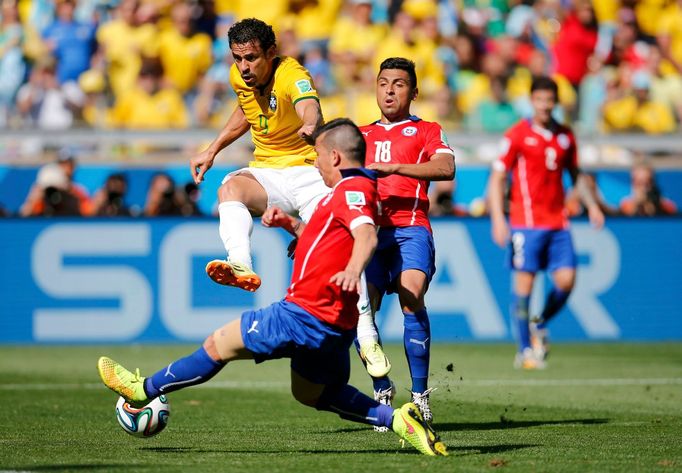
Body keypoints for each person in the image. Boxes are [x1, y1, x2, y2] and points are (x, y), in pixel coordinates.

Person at [96, 119, 448, 457]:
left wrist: (354, 269)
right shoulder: (345, 191)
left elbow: (366, 234)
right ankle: (400, 421)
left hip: (304, 312)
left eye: (319, 156)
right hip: (332, 324)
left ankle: (142, 390)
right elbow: (330, 238)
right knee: (313, 393)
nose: (315, 163)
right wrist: (290, 224)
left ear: (336, 157)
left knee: (218, 345)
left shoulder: (353, 188)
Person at [189, 18, 329, 293]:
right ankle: (240, 264)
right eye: (237, 58)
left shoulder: (293, 74)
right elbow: (247, 110)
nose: (243, 67)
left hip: (309, 172)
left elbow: (309, 105)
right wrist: (212, 149)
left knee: (328, 253)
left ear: (271, 52)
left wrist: (310, 124)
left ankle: (365, 330)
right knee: (230, 189)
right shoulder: (237, 76)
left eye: (251, 58)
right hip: (269, 173)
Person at [356, 57, 455, 428]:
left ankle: (419, 395)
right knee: (358, 311)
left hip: (410, 226)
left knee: (412, 297)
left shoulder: (428, 130)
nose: (390, 90)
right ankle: (382, 387)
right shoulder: (359, 135)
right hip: (367, 233)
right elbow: (336, 186)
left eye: (399, 84)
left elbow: (446, 168)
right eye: (383, 83)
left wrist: (397, 167)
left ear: (414, 92)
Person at [487, 76, 605, 370]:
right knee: (524, 286)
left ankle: (539, 323)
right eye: (539, 99)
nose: (544, 105)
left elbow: (576, 173)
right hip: (526, 223)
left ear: (555, 102)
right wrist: (498, 218)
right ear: (531, 100)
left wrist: (592, 206)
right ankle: (525, 349)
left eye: (549, 100)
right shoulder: (516, 135)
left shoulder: (565, 135)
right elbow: (497, 177)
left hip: (558, 222)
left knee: (567, 281)